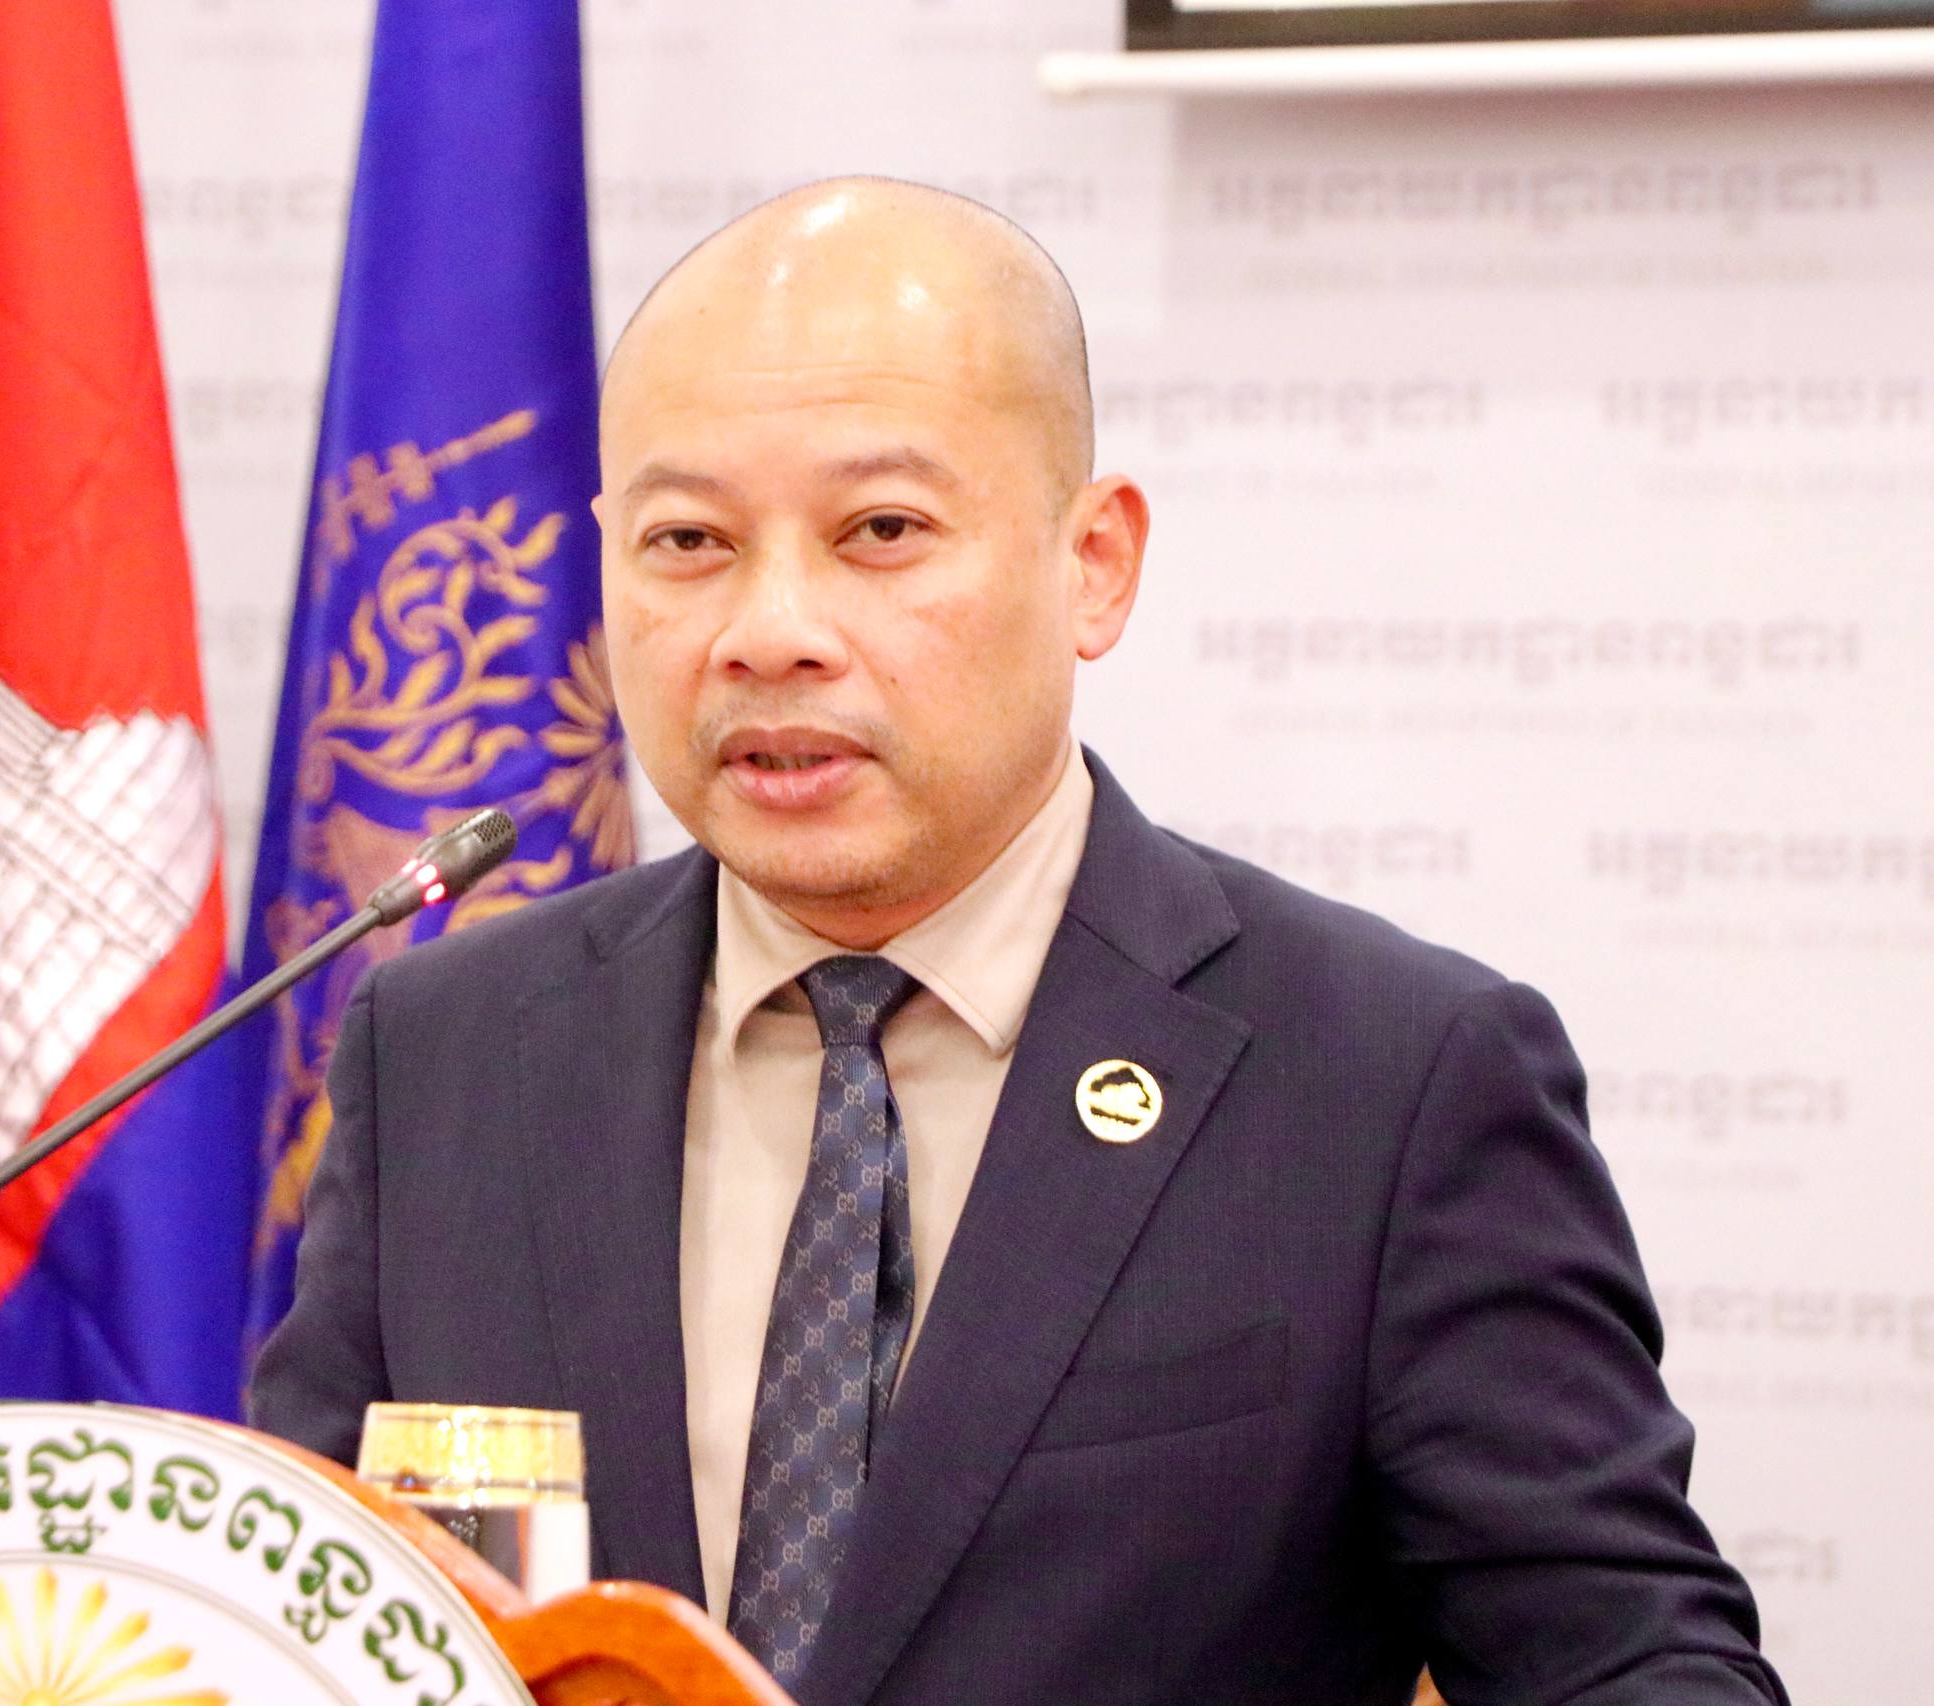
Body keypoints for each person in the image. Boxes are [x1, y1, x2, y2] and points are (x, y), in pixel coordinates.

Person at [251, 178, 1786, 1706]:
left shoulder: (1390, 1082)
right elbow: (277, 1630)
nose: (769, 629)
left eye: (882, 530)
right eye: (688, 539)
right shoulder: (444, 1051)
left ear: (1093, 562)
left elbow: (1639, 1668)